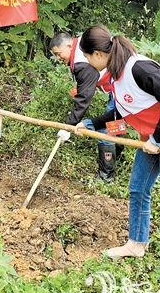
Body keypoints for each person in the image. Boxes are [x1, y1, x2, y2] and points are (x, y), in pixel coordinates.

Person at [73, 25, 160, 293]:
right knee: (138, 189)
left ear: (98, 54)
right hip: (151, 139)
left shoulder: (139, 69)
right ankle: (136, 243)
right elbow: (122, 109)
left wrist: (158, 139)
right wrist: (92, 123)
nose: (87, 63)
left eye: (87, 57)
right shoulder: (115, 74)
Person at [50, 32, 122, 181]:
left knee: (105, 131)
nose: (58, 58)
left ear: (69, 45)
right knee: (115, 123)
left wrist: (67, 126)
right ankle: (118, 159)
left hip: (121, 89)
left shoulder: (81, 62)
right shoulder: (84, 41)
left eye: (58, 53)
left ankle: (106, 177)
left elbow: (83, 100)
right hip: (118, 86)